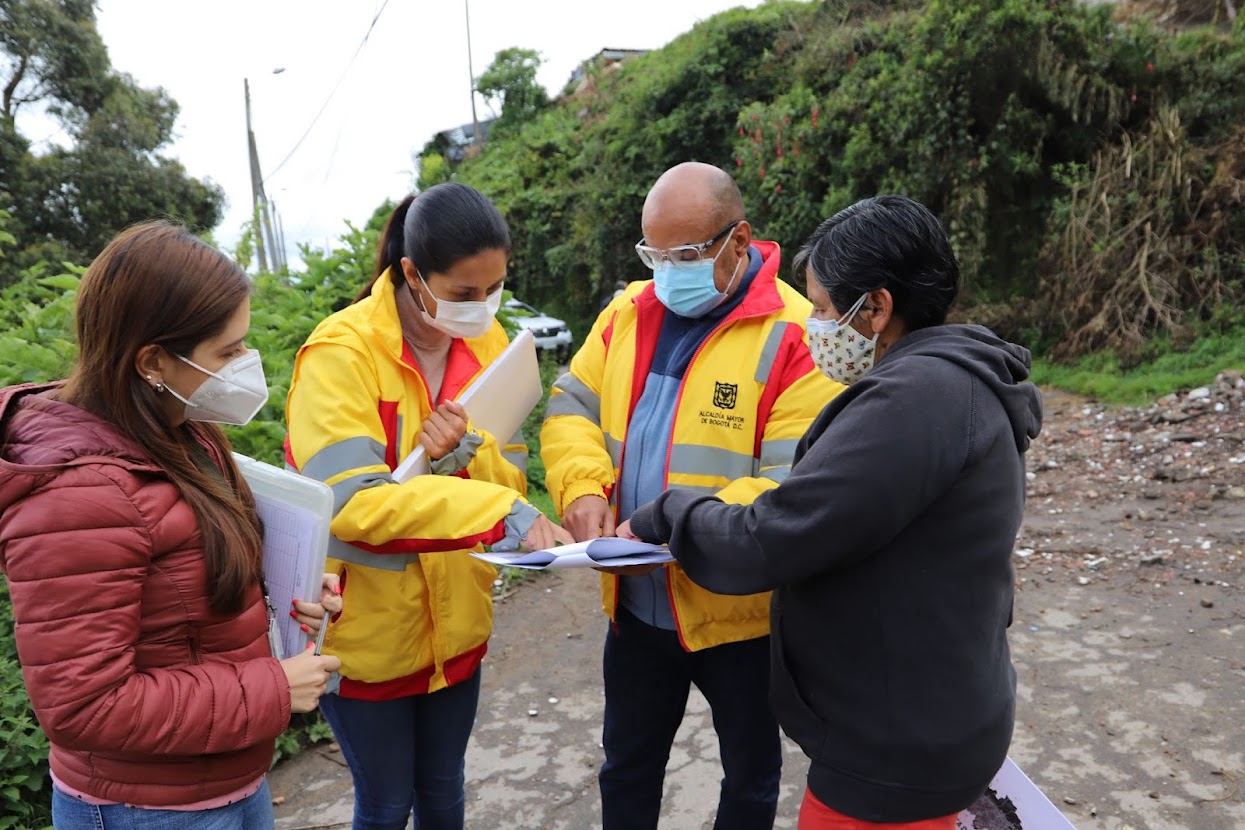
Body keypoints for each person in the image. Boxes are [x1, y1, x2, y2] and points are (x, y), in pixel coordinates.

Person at [618, 195, 1044, 828]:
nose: (813, 323)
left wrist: (666, 514)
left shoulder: (914, 400)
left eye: (820, 307)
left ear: (875, 307)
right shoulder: (955, 380)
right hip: (931, 712)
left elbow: (775, 535)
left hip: (893, 749)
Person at [0, 221, 343, 827]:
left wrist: (293, 587)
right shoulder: (79, 494)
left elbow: (189, 580)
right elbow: (83, 704)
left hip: (227, 776)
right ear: (153, 361)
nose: (246, 365)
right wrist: (271, 690)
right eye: (228, 351)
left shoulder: (179, 428)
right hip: (146, 807)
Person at [541, 161, 842, 829]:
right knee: (626, 766)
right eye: (653, 253)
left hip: (740, 615)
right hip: (636, 607)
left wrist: (669, 528)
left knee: (750, 775)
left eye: (684, 254)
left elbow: (789, 482)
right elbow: (570, 405)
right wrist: (582, 485)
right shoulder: (626, 313)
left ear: (739, 240)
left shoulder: (797, 335)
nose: (665, 270)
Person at [284, 183, 572, 830]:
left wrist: (465, 457)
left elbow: (513, 469)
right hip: (364, 638)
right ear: (412, 274)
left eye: (494, 289)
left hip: (458, 624)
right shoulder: (341, 354)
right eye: (464, 293)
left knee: (444, 797)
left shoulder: (490, 342)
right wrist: (495, 510)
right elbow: (352, 504)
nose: (482, 308)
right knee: (386, 806)